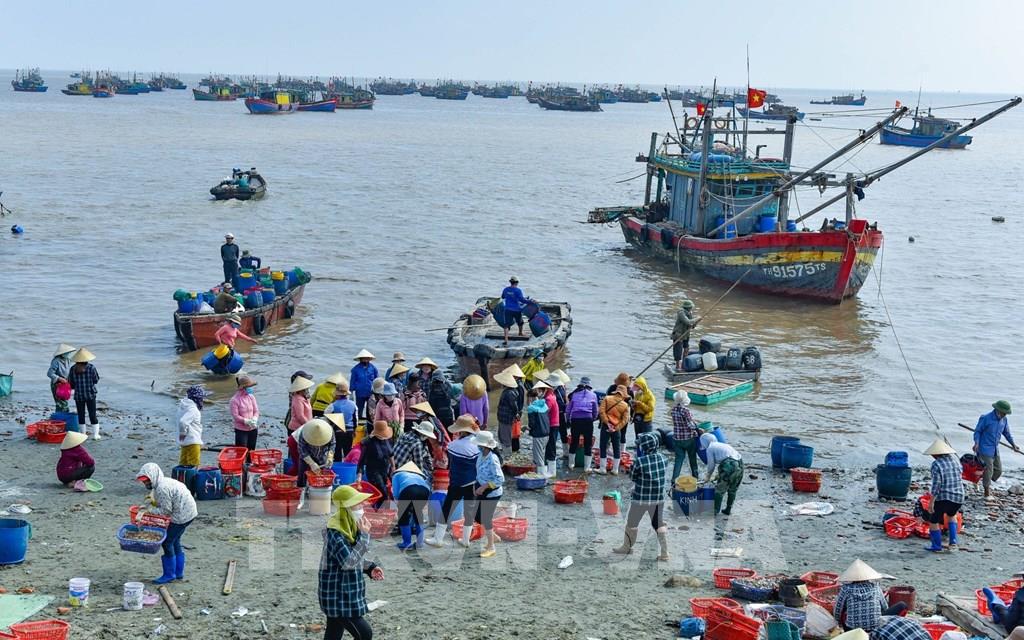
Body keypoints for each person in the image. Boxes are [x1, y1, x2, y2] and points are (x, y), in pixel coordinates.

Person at [318, 485, 383, 640]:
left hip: (344, 593)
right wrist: (365, 536)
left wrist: (370, 567)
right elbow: (348, 562)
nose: (361, 508)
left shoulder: (349, 526)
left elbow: (352, 556)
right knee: (365, 634)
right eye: (356, 504)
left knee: (334, 633)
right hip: (338, 597)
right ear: (345, 508)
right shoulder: (336, 532)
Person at [137, 463, 198, 584]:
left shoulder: (162, 488)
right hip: (190, 512)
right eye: (144, 481)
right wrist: (150, 505)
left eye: (147, 481)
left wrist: (148, 511)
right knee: (175, 540)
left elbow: (166, 511)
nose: (145, 483)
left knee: (167, 542)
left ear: (153, 477)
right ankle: (178, 572)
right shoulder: (162, 482)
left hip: (181, 516)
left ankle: (169, 574)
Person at [614, 432, 670, 561]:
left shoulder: (639, 461)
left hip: (640, 499)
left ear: (643, 447)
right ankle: (665, 553)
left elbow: (633, 477)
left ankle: (627, 547)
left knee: (632, 523)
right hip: (658, 499)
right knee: (658, 524)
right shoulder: (664, 458)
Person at [427, 415, 479, 548]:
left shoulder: (453, 445)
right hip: (472, 482)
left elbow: (450, 460)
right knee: (469, 512)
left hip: (456, 482)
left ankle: (438, 538)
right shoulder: (477, 445)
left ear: (461, 431)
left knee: (447, 509)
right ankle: (466, 539)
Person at [834, 559, 908, 631]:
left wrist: (839, 623)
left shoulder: (845, 589)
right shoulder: (875, 587)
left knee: (844, 611)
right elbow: (884, 607)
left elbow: (837, 611)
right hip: (876, 629)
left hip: (852, 630)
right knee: (902, 605)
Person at [923, 438, 964, 552]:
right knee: (952, 515)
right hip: (959, 496)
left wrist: (931, 502)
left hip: (944, 497)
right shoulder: (956, 461)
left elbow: (937, 485)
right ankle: (953, 543)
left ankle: (936, 546)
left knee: (934, 520)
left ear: (936, 454)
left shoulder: (937, 464)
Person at [974, 400, 1018, 500]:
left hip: (994, 449)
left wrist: (1013, 445)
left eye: (1006, 413)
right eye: (1004, 413)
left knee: (998, 471)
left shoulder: (1004, 420)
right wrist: (976, 443)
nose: (1005, 415)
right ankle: (986, 493)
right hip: (984, 448)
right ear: (998, 410)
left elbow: (1007, 433)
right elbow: (978, 432)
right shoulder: (986, 418)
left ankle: (979, 478)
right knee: (988, 470)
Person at [473, 430, 505, 558]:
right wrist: (476, 485)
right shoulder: (481, 455)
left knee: (486, 518)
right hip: (482, 489)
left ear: (484, 446)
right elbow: (479, 472)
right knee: (478, 517)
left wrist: (484, 486)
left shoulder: (492, 459)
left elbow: (500, 479)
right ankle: (494, 537)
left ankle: (491, 547)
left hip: (492, 492)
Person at [391, 461, 431, 551]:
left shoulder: (397, 475)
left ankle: (406, 543)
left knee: (403, 516)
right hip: (425, 490)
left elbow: (396, 494)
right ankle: (420, 542)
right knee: (418, 515)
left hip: (408, 489)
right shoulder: (418, 475)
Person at [701, 432, 743, 515]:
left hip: (729, 464)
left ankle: (715, 511)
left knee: (719, 490)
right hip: (740, 462)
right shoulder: (722, 445)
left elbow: (711, 465)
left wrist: (708, 477)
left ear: (704, 442)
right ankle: (728, 509)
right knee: (733, 489)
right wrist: (718, 475)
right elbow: (725, 458)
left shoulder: (710, 448)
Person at [565, 376, 599, 475]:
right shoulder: (593, 395)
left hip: (575, 420)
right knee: (588, 443)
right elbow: (595, 410)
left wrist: (568, 420)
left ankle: (571, 464)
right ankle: (586, 467)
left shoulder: (574, 395)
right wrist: (593, 418)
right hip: (587, 420)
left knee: (574, 442)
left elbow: (568, 409)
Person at [358, 421, 394, 509]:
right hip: (373, 471)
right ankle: (381, 511)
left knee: (384, 493)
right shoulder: (368, 443)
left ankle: (378, 510)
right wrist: (359, 478)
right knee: (383, 493)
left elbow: (391, 454)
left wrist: (393, 467)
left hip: (385, 470)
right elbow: (361, 461)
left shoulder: (387, 440)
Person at [69, 348, 101, 440]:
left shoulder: (73, 369)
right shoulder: (91, 368)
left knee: (81, 415)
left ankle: (83, 434)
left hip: (78, 395)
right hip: (90, 394)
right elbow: (96, 380)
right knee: (92, 415)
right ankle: (96, 435)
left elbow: (71, 383)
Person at [598, 385, 631, 475]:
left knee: (603, 446)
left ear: (616, 392)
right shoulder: (625, 405)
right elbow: (625, 420)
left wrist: (607, 422)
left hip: (606, 426)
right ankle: (615, 470)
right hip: (616, 428)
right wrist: (616, 428)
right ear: (623, 394)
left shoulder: (607, 399)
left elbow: (601, 411)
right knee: (617, 448)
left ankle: (602, 469)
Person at [296, 418, 336, 489]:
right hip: (307, 456)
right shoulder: (304, 432)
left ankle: (319, 492)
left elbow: (332, 444)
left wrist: (330, 456)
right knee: (302, 477)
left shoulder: (330, 431)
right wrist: (311, 463)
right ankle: (302, 490)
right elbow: (302, 449)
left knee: (321, 478)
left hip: (322, 456)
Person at [177, 385, 211, 467]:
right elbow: (183, 422)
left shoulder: (183, 406)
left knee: (183, 464)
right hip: (193, 441)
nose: (202, 400)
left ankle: (182, 475)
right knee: (193, 465)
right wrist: (182, 433)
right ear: (197, 398)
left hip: (184, 442)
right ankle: (192, 475)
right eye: (201, 398)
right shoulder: (193, 410)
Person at [671, 391, 700, 481]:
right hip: (688, 439)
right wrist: (698, 428)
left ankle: (674, 480)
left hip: (677, 438)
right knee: (692, 459)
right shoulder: (686, 411)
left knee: (678, 460)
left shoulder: (673, 410)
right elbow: (690, 426)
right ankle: (695, 478)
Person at [327, 382, 358, 457]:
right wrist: (355, 430)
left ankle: (337, 463)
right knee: (348, 451)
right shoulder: (353, 404)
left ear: (337, 394)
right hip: (349, 431)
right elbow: (356, 419)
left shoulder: (332, 405)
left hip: (337, 432)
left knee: (337, 451)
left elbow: (327, 418)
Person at [495, 369, 520, 458]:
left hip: (506, 418)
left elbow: (514, 407)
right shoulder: (509, 391)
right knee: (502, 435)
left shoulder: (509, 393)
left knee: (505, 437)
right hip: (503, 418)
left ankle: (508, 455)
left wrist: (516, 414)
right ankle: (506, 452)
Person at [229, 375, 260, 450]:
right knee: (242, 451)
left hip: (253, 428)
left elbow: (256, 410)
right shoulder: (234, 400)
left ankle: (250, 459)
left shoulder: (251, 397)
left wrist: (255, 418)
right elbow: (235, 416)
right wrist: (246, 421)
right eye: (249, 387)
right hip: (241, 430)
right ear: (243, 388)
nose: (250, 388)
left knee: (251, 450)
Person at [526, 385, 551, 472]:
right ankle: (542, 471)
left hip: (538, 434)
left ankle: (542, 475)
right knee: (541, 454)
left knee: (538, 457)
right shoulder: (544, 405)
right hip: (546, 433)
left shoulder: (531, 408)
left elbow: (532, 424)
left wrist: (526, 428)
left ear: (530, 398)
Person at [349, 350, 379, 420]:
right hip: (360, 392)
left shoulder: (373, 368)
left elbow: (377, 380)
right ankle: (358, 419)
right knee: (359, 408)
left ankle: (369, 420)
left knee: (371, 408)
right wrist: (351, 392)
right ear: (360, 359)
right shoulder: (355, 369)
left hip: (370, 392)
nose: (365, 360)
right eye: (364, 358)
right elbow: (352, 381)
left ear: (369, 359)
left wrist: (378, 390)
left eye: (367, 358)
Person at [672, 299, 700, 370]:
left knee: (686, 348)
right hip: (678, 335)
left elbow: (692, 326)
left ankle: (684, 364)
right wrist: (696, 319)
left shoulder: (689, 313)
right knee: (678, 350)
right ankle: (678, 366)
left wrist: (697, 322)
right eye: (691, 307)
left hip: (686, 334)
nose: (691, 308)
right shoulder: (681, 313)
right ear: (688, 307)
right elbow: (688, 322)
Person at [500, 276, 529, 345]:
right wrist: (530, 301)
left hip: (507, 309)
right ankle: (520, 333)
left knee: (506, 325)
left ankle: (506, 340)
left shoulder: (506, 289)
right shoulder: (518, 290)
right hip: (517, 309)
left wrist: (509, 295)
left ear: (510, 282)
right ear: (517, 282)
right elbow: (522, 300)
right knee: (520, 322)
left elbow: (503, 297)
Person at [47, 343, 75, 413]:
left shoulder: (67, 360)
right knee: (60, 403)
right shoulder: (56, 361)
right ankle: (61, 415)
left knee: (64, 400)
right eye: (67, 353)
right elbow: (49, 373)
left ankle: (62, 415)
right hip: (57, 384)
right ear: (62, 353)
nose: (68, 354)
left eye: (68, 353)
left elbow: (68, 372)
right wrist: (59, 378)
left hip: (65, 384)